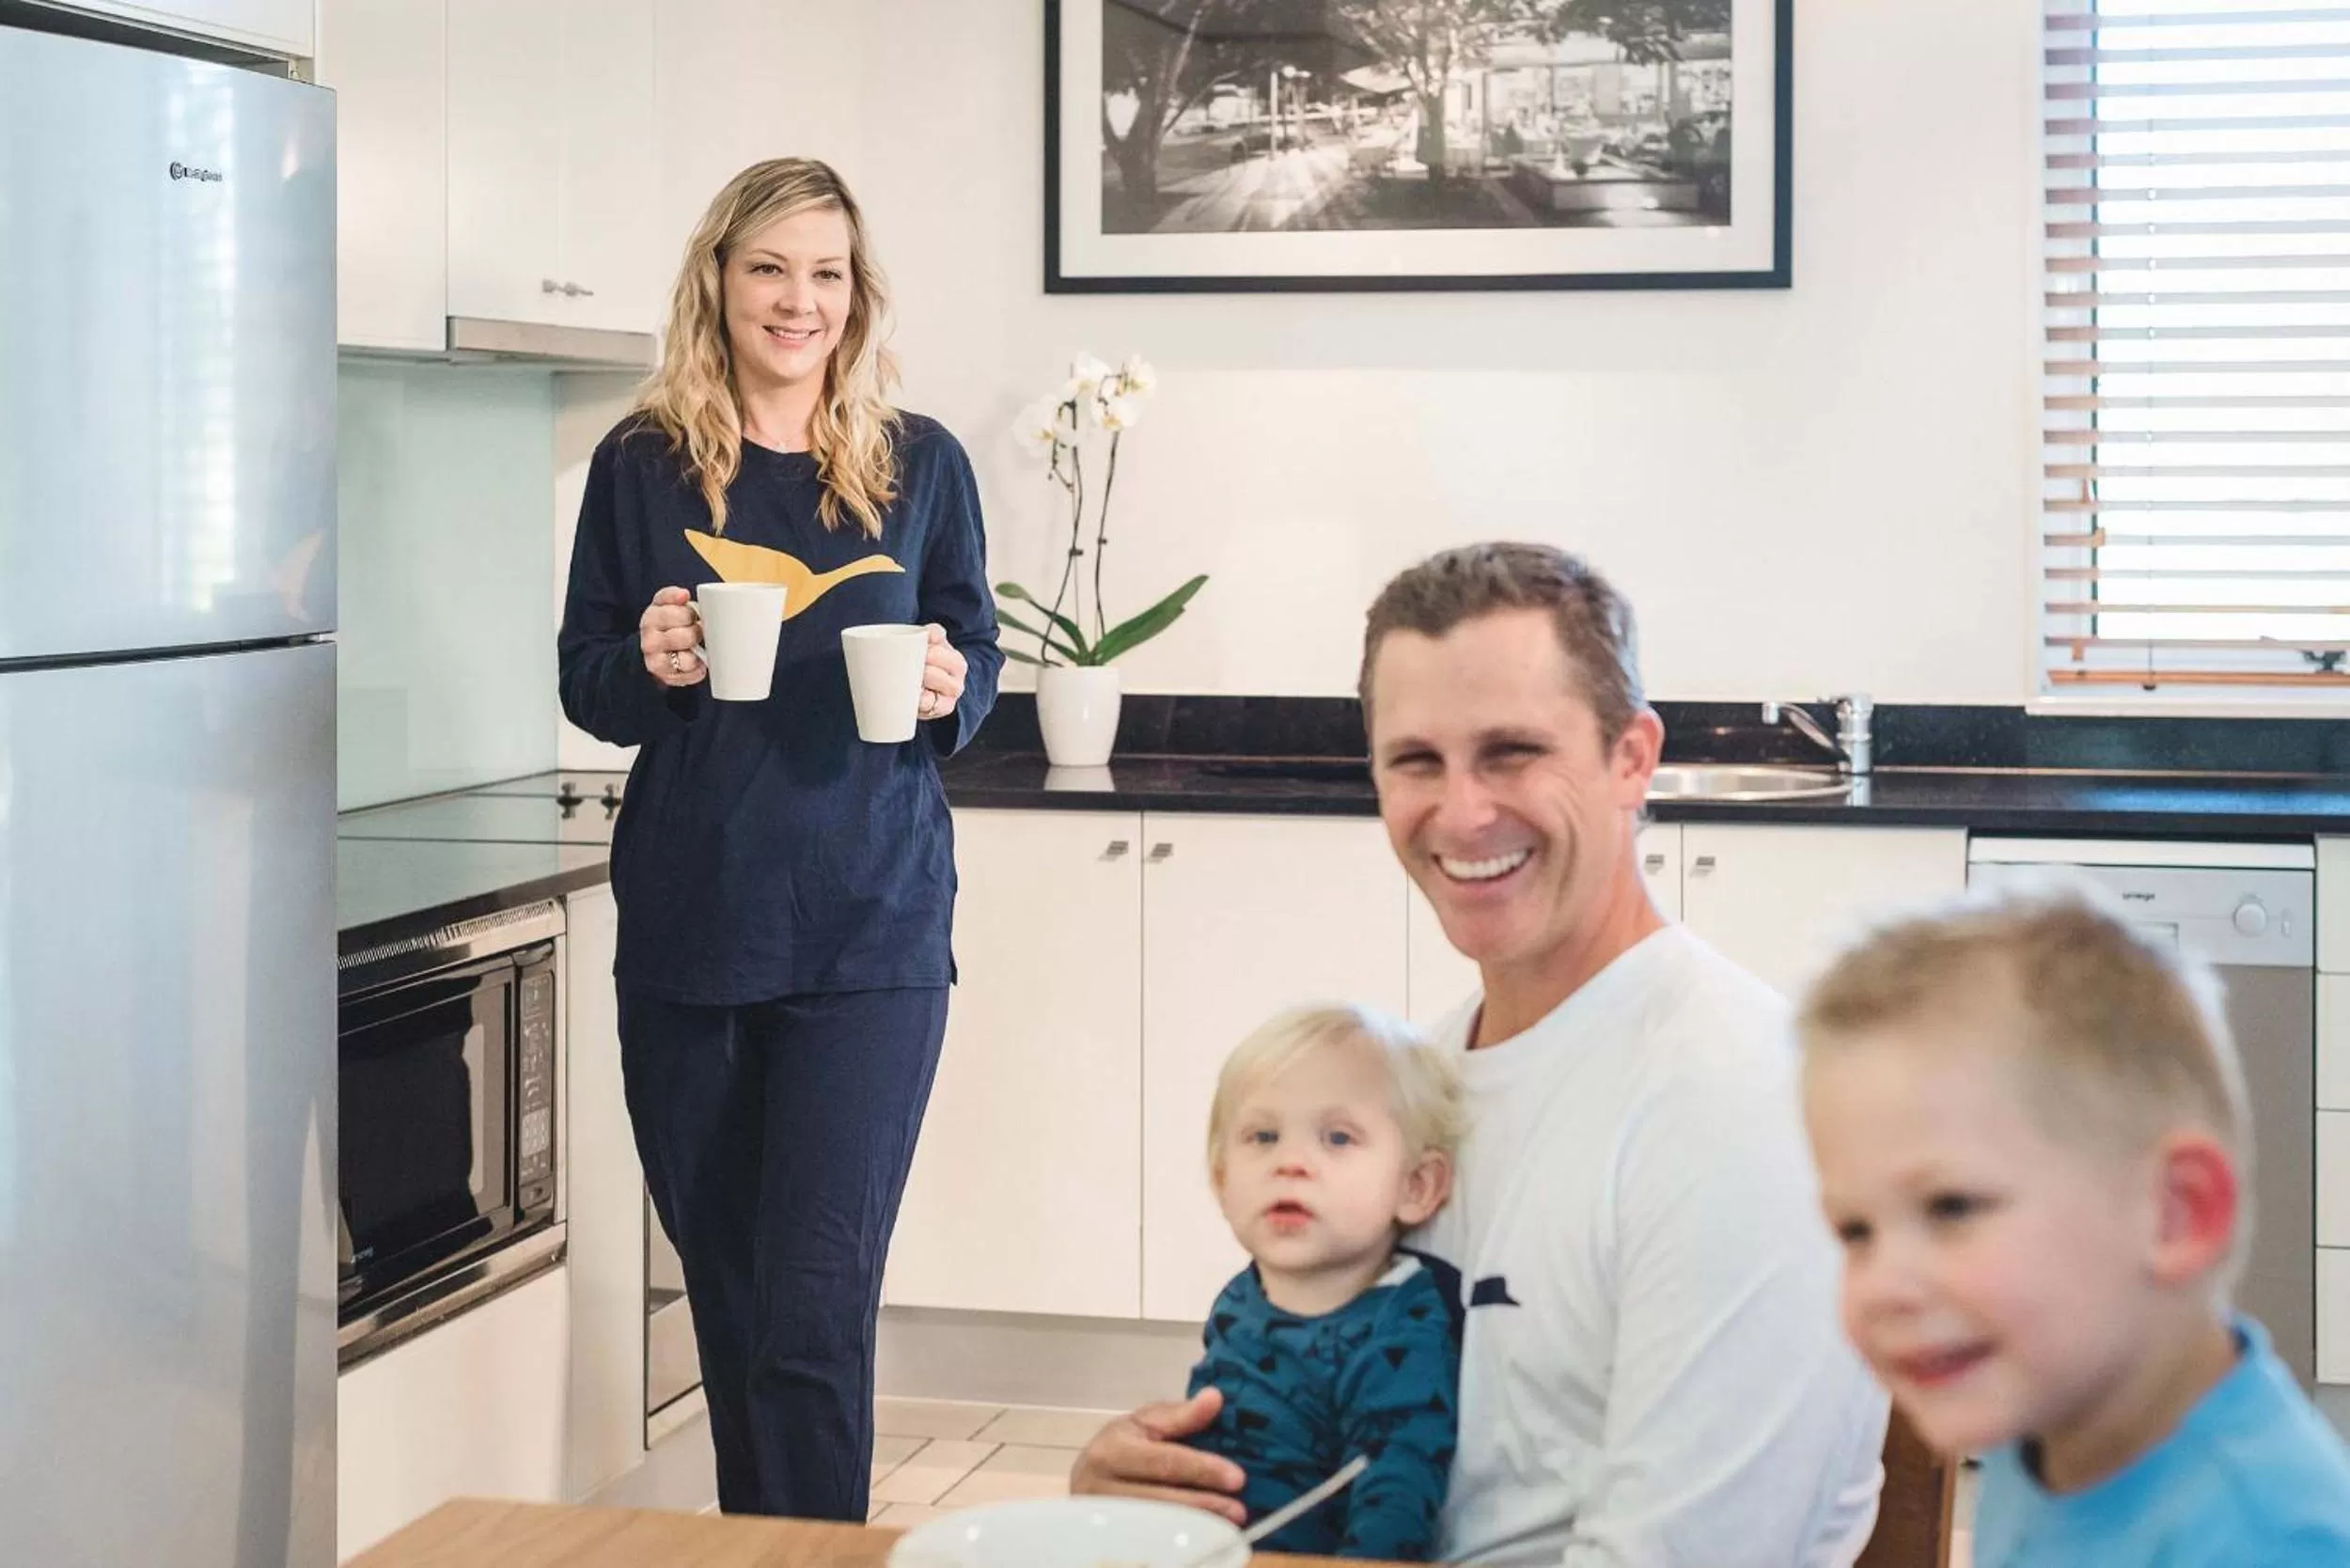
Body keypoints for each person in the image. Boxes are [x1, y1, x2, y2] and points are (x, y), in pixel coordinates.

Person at [1076, 543, 1887, 1566]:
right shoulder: (1422, 1076)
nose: (1461, 814)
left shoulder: (1743, 1109)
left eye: (1511, 753)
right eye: (1416, 761)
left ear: (1632, 758)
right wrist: (1138, 1495)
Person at [556, 157, 1001, 1522]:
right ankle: (774, 1550)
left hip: (868, 938)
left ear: (856, 294)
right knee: (737, 1309)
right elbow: (588, 679)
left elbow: (974, 661)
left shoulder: (919, 463)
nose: (799, 300)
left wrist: (949, 689)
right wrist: (649, 658)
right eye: (770, 269)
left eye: (826, 272)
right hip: (691, 936)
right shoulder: (642, 465)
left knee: (812, 1314)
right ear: (720, 281)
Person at [1798, 886, 2350, 1567]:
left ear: (2175, 1214)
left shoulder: (2269, 1540)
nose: (1885, 1285)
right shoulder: (2041, 1417)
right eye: (1856, 1232)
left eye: (1952, 1208)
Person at [1183, 1004, 1468, 1561]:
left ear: (1416, 1186)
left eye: (1337, 1138)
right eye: (1263, 1136)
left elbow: (1396, 1508)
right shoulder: (1240, 1298)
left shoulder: (1401, 1328)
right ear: (1221, 1180)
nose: (1291, 1162)